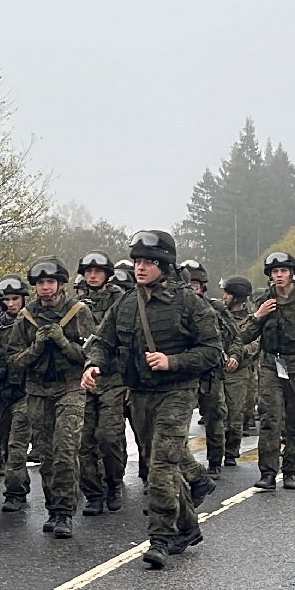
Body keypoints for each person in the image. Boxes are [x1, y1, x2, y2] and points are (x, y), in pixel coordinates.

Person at [81, 231, 219, 567]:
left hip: (176, 392)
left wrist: (173, 361)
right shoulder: (126, 303)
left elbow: (212, 350)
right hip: (139, 393)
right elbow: (103, 340)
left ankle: (161, 537)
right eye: (138, 261)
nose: (140, 268)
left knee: (158, 468)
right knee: (163, 461)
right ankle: (188, 522)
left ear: (165, 265)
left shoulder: (188, 303)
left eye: (149, 262)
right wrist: (93, 364)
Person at [1, 258, 89, 536]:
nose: (45, 288)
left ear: (61, 284)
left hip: (71, 388)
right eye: (40, 283)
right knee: (47, 455)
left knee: (65, 450)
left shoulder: (79, 312)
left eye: (50, 282)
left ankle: (64, 511)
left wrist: (63, 342)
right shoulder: (26, 317)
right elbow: (14, 360)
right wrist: (37, 347)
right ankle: (53, 507)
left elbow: (91, 354)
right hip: (37, 391)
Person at [238, 251, 295, 490]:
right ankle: (268, 473)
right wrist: (258, 317)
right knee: (270, 417)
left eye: (283, 271)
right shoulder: (264, 300)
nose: (279, 276)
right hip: (271, 365)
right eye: (275, 272)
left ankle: (290, 470)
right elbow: (243, 335)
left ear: (292, 273)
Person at [74, 250, 128, 517]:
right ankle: (93, 493)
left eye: (97, 271)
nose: (92, 275)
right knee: (84, 441)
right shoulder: (74, 303)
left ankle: (113, 484)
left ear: (107, 274)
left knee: (109, 436)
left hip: (114, 377)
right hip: (83, 378)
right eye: (88, 271)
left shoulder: (121, 301)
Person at [181, 260, 233, 475]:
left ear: (202, 286)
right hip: (184, 373)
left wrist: (232, 354)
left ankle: (214, 462)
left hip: (210, 373)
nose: (191, 290)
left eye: (194, 285)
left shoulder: (215, 309)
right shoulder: (176, 308)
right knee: (178, 423)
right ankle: (180, 464)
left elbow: (233, 336)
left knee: (215, 418)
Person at [0, 275, 30, 499]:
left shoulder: (32, 321)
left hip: (24, 392)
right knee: (2, 443)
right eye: (7, 299)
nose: (11, 304)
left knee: (17, 446)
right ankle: (20, 482)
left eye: (15, 298)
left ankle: (15, 493)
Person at [218, 276, 260, 465]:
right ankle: (215, 453)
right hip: (216, 369)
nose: (223, 297)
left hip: (239, 373)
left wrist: (237, 355)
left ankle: (231, 451)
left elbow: (255, 344)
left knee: (234, 414)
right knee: (215, 413)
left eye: (227, 293)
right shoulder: (217, 315)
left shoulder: (253, 319)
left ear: (237, 297)